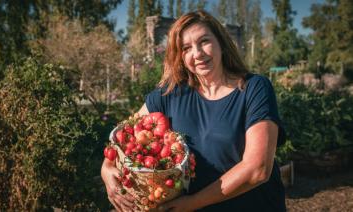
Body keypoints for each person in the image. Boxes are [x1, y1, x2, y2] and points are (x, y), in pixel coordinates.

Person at [101, 10, 286, 212]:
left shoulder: (254, 88)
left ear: (221, 43)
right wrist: (107, 168)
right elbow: (125, 135)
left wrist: (191, 203)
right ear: (180, 56)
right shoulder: (170, 94)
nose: (197, 53)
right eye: (186, 48)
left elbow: (257, 170)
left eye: (204, 41)